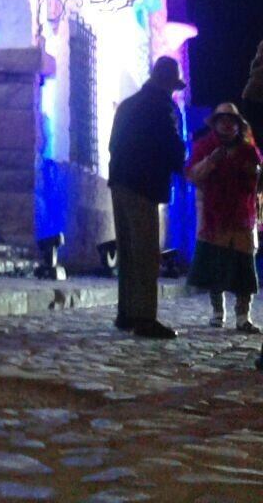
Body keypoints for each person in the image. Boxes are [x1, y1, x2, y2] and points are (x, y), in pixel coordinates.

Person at [108, 55, 186, 339]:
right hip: (144, 184)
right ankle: (144, 318)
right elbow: (172, 148)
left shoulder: (128, 104)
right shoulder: (162, 107)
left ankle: (126, 312)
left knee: (127, 252)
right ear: (168, 82)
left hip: (120, 180)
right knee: (144, 254)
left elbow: (112, 144)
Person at [186, 103, 261, 331]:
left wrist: (254, 173)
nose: (227, 124)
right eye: (222, 120)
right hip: (213, 217)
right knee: (215, 266)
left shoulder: (249, 150)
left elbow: (258, 183)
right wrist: (211, 162)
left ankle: (243, 315)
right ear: (216, 123)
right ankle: (217, 312)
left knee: (244, 268)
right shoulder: (204, 146)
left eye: (232, 121)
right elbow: (193, 175)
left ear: (238, 125)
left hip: (242, 215)